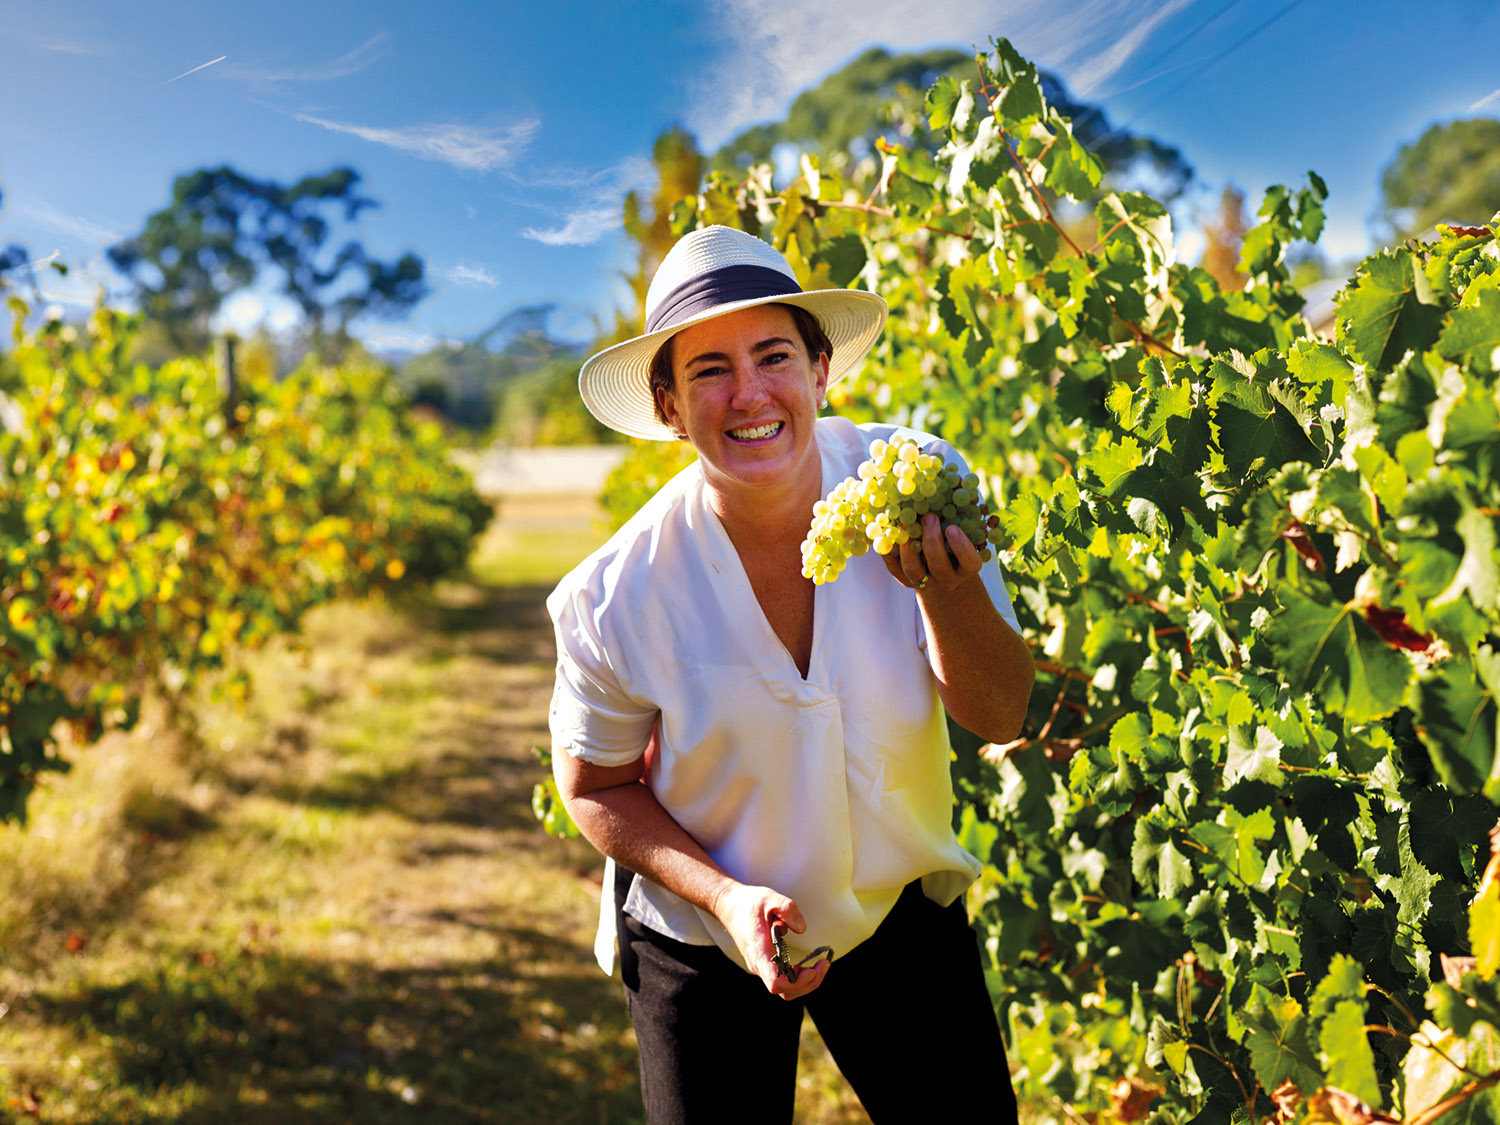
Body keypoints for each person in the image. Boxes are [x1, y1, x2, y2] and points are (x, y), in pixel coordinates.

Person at [547, 224, 1034, 1123]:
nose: (749, 394)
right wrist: (725, 898)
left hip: (891, 903)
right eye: (708, 371)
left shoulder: (914, 485)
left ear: (820, 371)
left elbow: (1000, 713)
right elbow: (593, 784)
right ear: (668, 407)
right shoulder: (618, 594)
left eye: (773, 355)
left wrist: (950, 595)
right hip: (701, 930)